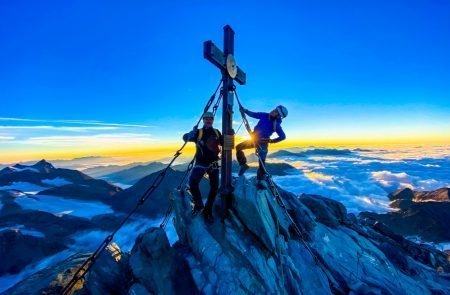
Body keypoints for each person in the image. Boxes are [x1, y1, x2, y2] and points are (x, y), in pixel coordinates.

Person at [183, 112, 222, 220]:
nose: (209, 120)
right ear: (203, 120)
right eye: (206, 119)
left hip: (213, 163)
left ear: (212, 120)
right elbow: (185, 138)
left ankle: (208, 210)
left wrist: (230, 135)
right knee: (193, 182)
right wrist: (190, 134)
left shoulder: (216, 132)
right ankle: (199, 204)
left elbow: (223, 142)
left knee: (214, 188)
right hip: (201, 163)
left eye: (210, 119)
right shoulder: (199, 133)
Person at [236, 105, 287, 185]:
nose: (274, 111)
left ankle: (260, 181)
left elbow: (283, 136)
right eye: (275, 109)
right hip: (254, 140)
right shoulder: (265, 115)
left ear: (278, 115)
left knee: (262, 163)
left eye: (276, 111)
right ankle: (243, 165)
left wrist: (271, 141)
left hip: (262, 143)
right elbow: (254, 114)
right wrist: (245, 110)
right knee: (238, 147)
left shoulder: (276, 124)